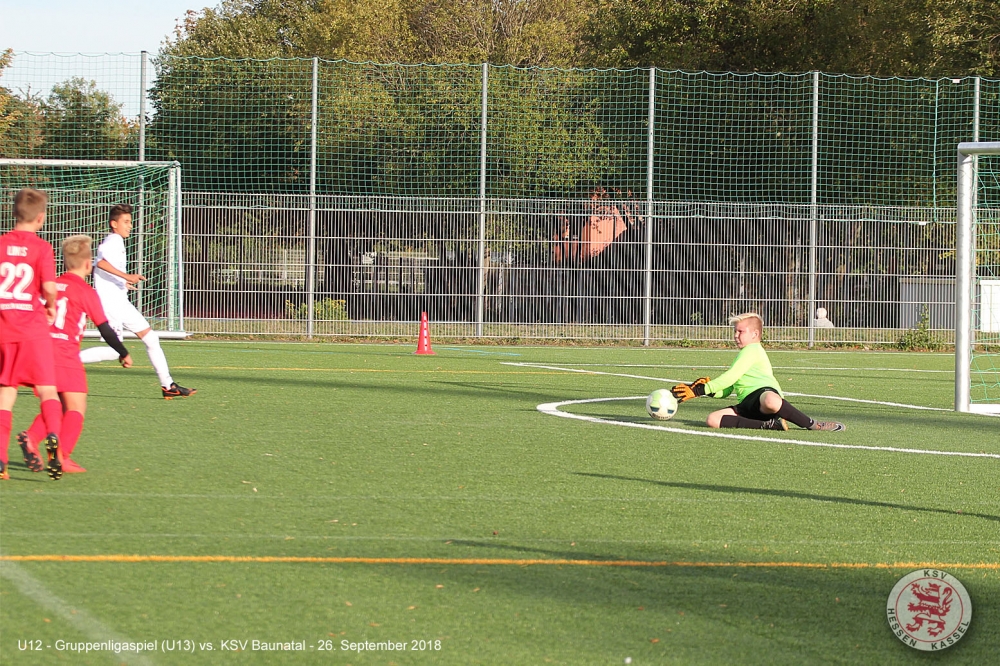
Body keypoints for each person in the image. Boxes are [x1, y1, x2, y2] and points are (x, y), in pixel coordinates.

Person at [18, 235, 133, 475]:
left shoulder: (50, 286)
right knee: (76, 408)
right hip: (66, 356)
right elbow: (105, 329)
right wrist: (123, 352)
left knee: (57, 405)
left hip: (41, 353)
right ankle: (62, 456)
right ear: (88, 264)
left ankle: (31, 437)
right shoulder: (86, 292)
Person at [78, 204, 195, 399]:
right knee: (115, 351)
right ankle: (64, 361)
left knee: (151, 338)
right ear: (114, 224)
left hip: (119, 301)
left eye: (130, 222)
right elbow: (100, 263)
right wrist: (127, 276)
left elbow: (105, 269)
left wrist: (122, 283)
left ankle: (168, 385)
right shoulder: (113, 241)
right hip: (110, 303)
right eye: (126, 222)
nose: (130, 225)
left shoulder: (117, 242)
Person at [671, 312, 845, 432]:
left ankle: (813, 424)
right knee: (712, 420)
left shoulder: (753, 349)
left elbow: (730, 377)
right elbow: (728, 389)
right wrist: (711, 391)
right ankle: (769, 424)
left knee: (770, 400)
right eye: (735, 331)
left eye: (740, 331)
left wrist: (699, 390)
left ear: (755, 334)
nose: (736, 335)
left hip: (761, 396)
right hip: (747, 404)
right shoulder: (742, 354)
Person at [0, 189, 63, 480]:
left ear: (14, 213)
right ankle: (53, 440)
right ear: (40, 218)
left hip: (4, 330)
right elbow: (49, 288)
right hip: (33, 331)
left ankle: (1, 459)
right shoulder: (42, 248)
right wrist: (50, 306)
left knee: (5, 393)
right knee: (48, 390)